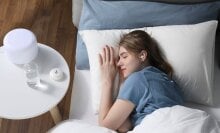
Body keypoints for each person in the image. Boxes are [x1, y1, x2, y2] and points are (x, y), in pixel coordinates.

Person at [98, 30, 184, 133]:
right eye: (119, 58)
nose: (119, 63)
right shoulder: (170, 82)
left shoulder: (138, 79)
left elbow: (105, 127)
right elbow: (125, 127)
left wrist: (107, 81)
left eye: (124, 56)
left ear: (142, 55)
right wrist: (122, 83)